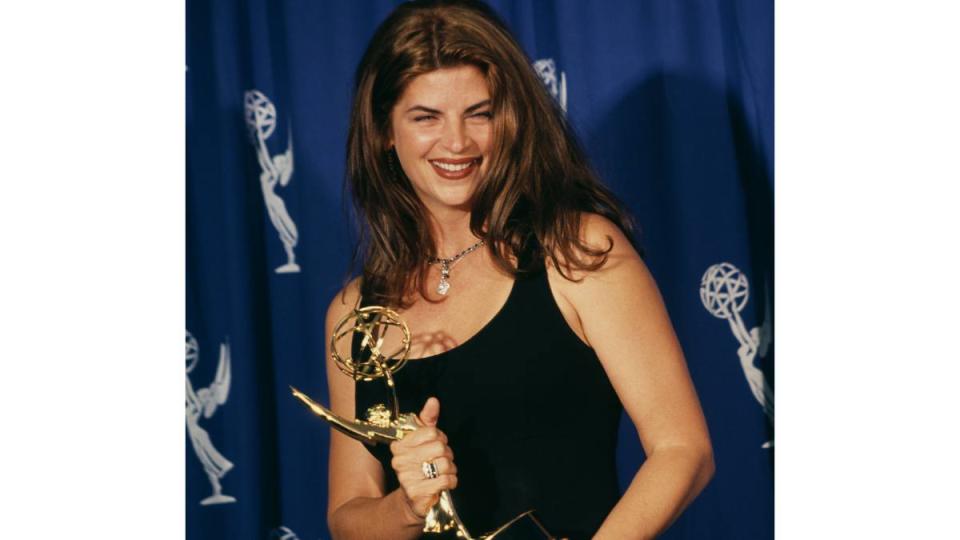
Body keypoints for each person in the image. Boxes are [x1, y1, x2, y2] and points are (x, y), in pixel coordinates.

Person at [324, 1, 714, 538]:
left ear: (510, 120)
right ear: (384, 131)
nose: (457, 142)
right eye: (426, 117)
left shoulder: (577, 252)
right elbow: (349, 517)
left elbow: (682, 451)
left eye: (479, 114)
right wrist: (410, 506)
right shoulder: (355, 313)